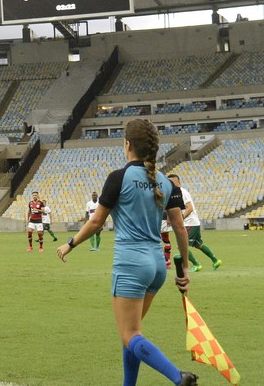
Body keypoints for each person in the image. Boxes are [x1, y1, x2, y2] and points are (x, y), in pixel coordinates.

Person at [56, 119, 197, 386]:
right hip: (157, 265)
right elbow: (179, 227)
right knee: (131, 334)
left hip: (131, 264)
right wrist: (186, 269)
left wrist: (70, 243)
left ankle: (178, 377)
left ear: (128, 144)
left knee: (130, 334)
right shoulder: (167, 182)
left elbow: (97, 222)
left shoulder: (118, 177)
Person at [167, 174, 222, 272]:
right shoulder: (175, 192)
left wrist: (181, 218)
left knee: (180, 246)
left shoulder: (181, 192)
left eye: (173, 182)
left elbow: (190, 207)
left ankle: (196, 264)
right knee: (198, 245)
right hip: (193, 222)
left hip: (190, 223)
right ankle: (215, 260)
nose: (171, 184)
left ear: (179, 182)